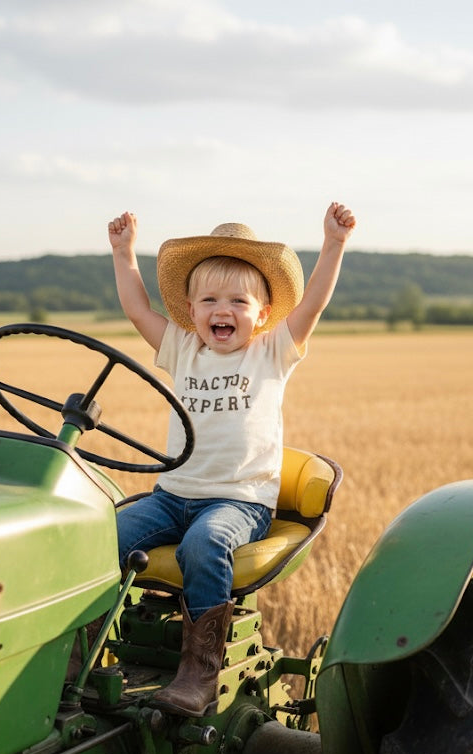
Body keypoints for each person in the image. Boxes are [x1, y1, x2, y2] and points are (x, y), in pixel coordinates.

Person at [107, 201, 356, 716]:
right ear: (191, 310)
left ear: (263, 314)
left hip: (240, 502)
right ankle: (83, 651)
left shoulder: (272, 352)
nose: (223, 310)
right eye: (209, 300)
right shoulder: (181, 348)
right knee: (102, 536)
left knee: (204, 546)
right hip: (172, 497)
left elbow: (312, 304)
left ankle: (199, 671)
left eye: (238, 301)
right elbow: (136, 309)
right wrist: (123, 251)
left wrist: (333, 244)